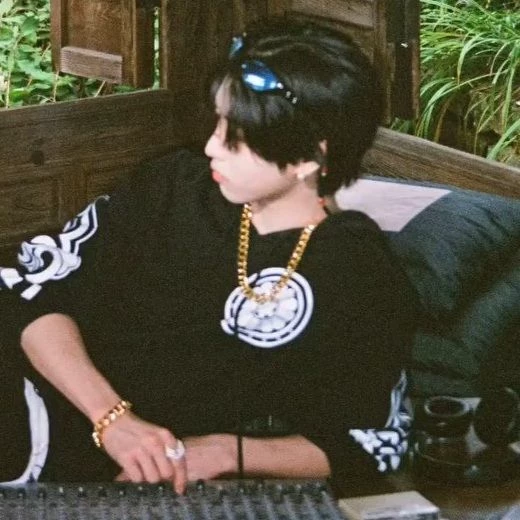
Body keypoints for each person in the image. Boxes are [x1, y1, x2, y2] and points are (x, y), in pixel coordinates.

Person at [1, 16, 420, 492]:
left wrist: (222, 451)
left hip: (96, 474)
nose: (211, 147)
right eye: (218, 124)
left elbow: (373, 441)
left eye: (235, 138)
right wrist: (112, 419)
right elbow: (30, 292)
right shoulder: (172, 186)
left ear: (308, 157)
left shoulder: (355, 271)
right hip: (30, 402)